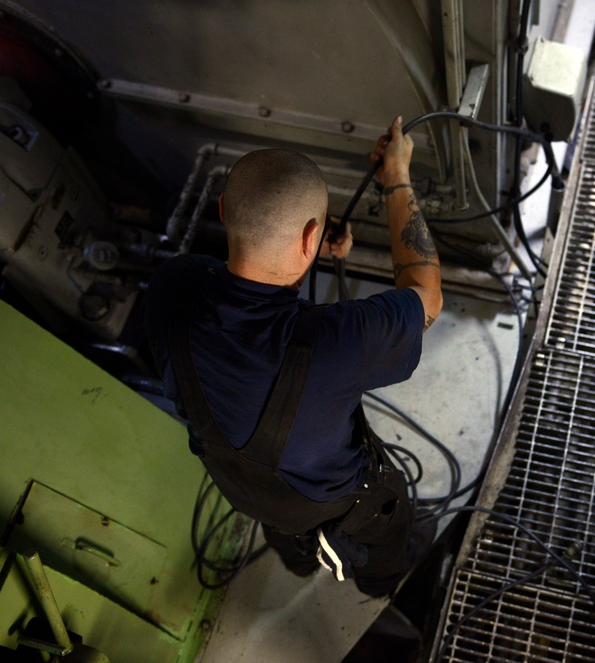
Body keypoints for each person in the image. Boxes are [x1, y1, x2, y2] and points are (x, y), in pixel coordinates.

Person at [144, 116, 443, 597]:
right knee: (389, 517)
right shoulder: (340, 344)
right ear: (310, 240)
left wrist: (301, 248)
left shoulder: (171, 286)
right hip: (335, 501)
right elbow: (426, 293)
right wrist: (397, 177)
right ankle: (381, 581)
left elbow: (246, 288)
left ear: (223, 209)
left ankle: (300, 563)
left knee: (283, 523)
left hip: (245, 490)